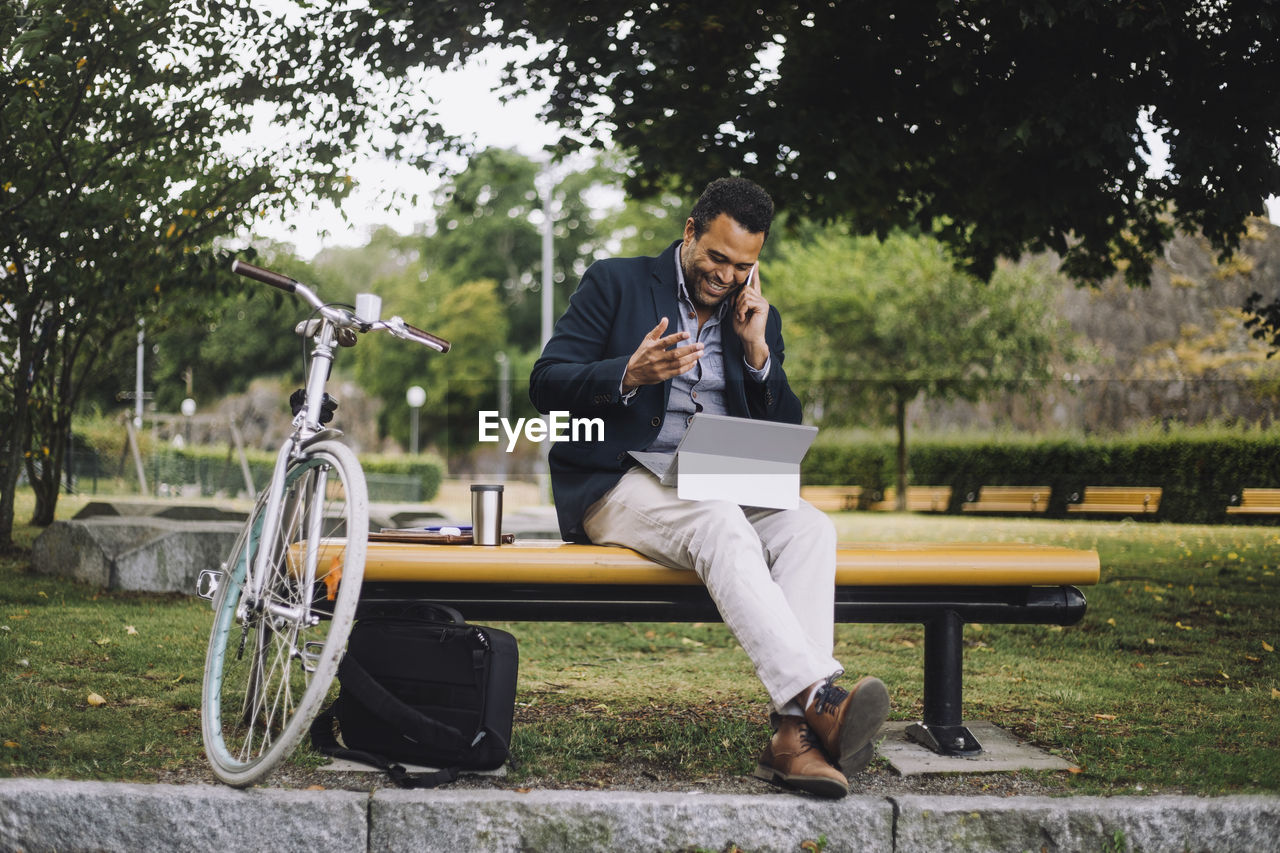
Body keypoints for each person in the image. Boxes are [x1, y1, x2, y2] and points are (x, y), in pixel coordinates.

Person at [529, 177, 889, 798]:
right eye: (716, 258)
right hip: (620, 482)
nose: (725, 276)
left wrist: (756, 356)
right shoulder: (615, 282)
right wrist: (628, 372)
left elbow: (779, 426)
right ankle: (817, 699)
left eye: (742, 265)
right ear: (690, 233)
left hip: (718, 476)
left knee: (809, 526)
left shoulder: (753, 316)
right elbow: (546, 382)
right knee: (719, 517)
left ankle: (791, 737)